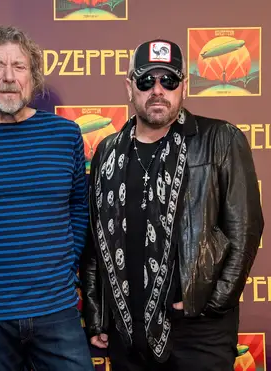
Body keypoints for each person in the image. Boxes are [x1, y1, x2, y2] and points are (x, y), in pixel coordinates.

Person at [80, 39, 264, 370]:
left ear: (184, 86)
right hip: (128, 330)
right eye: (146, 80)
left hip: (198, 331)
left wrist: (211, 302)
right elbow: (95, 243)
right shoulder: (108, 152)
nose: (158, 90)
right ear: (129, 86)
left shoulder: (219, 139)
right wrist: (96, 315)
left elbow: (245, 229)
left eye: (169, 80)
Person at [0, 26, 94, 371]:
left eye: (19, 67)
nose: (8, 77)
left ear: (33, 77)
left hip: (57, 309)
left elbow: (78, 207)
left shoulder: (64, 134)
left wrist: (63, 268)